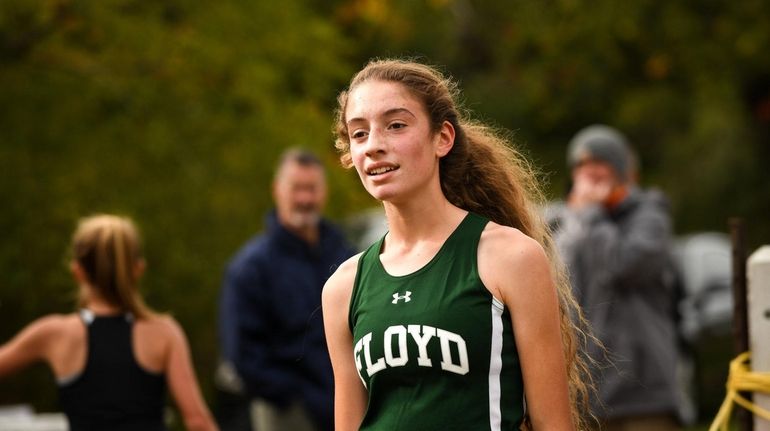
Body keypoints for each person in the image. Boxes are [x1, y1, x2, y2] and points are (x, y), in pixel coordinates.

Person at [322, 58, 593, 431]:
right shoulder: (342, 286)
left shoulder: (510, 257)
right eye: (359, 133)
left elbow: (554, 426)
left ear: (442, 138)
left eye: (396, 125)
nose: (374, 146)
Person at [0, 214, 218, 431]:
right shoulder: (163, 332)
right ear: (138, 269)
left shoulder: (54, 333)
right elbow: (198, 421)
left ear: (78, 271)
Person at [550, 124, 682, 430]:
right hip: (584, 397)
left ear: (623, 172)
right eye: (582, 169)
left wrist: (590, 216)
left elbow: (626, 265)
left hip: (644, 397)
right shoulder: (561, 223)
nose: (589, 176)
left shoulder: (649, 216)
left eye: (599, 168)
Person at [217, 148, 354, 431]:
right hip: (289, 414)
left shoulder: (345, 255)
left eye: (312, 189)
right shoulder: (249, 268)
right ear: (276, 190)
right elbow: (243, 356)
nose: (305, 199)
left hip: (350, 404)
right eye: (296, 189)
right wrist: (297, 398)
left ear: (324, 192)